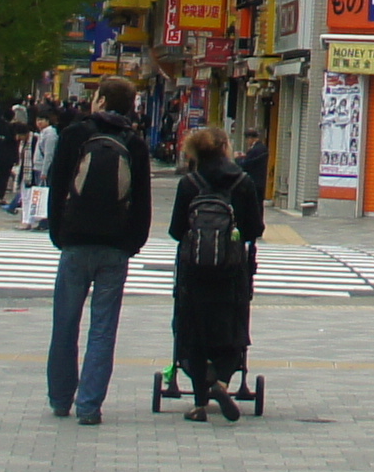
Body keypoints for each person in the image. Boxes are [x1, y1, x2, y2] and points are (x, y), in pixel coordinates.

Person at [42, 79, 153, 423]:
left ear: (101, 100)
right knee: (103, 329)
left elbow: (57, 184)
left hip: (75, 242)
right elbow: (143, 201)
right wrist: (132, 242)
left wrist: (59, 233)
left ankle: (61, 399)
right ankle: (89, 406)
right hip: (115, 246)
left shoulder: (75, 135)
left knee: (65, 323)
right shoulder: (134, 143)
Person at [169, 123, 261, 419]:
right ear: (225, 148)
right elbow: (254, 229)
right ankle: (222, 382)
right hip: (232, 271)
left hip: (194, 271)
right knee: (232, 330)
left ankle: (199, 402)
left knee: (193, 331)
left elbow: (175, 230)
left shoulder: (190, 183)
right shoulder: (242, 182)